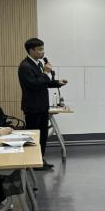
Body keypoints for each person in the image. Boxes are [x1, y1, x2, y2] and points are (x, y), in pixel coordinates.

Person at [17, 38, 68, 170]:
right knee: (34, 136)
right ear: (31, 50)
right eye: (39, 49)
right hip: (32, 107)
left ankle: (40, 160)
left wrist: (57, 83)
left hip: (42, 106)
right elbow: (34, 85)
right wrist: (45, 72)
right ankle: (32, 162)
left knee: (43, 136)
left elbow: (43, 82)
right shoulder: (25, 66)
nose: (43, 52)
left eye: (43, 49)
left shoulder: (38, 64)